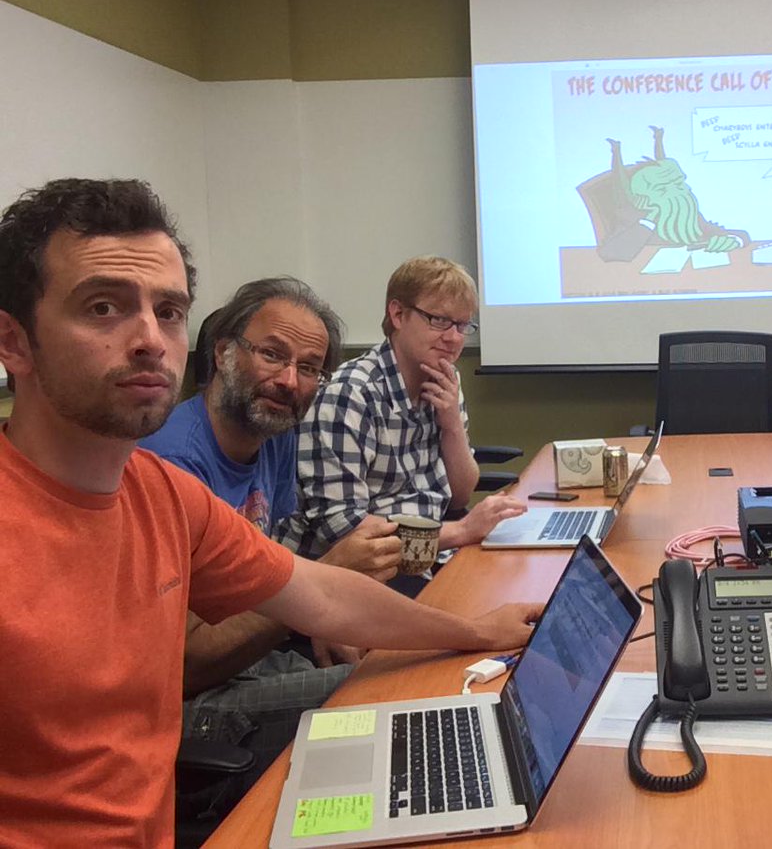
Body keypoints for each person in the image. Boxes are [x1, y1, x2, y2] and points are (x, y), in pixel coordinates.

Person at [0, 178, 542, 847]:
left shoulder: (160, 491)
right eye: (103, 307)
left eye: (168, 312)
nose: (149, 340)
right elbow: (305, 580)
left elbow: (319, 590)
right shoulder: (168, 466)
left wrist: (476, 630)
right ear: (13, 341)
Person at [140, 277, 402, 822]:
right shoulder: (171, 464)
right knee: (385, 695)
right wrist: (316, 593)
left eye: (309, 367)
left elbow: (263, 572)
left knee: (396, 664)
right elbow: (184, 665)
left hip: (244, 658)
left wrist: (322, 615)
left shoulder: (274, 435)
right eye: (272, 354)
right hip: (182, 704)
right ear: (222, 353)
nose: (288, 381)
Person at [281, 256, 526, 586]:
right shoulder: (350, 395)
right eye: (439, 320)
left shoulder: (445, 379)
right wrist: (461, 531)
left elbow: (460, 495)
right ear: (397, 314)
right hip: (359, 575)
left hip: (428, 555)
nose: (454, 338)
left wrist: (452, 425)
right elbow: (345, 531)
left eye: (462, 325)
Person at [594, 125, 751, 261]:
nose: (683, 190)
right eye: (663, 188)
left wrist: (731, 240)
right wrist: (648, 220)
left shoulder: (688, 212)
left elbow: (735, 234)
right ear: (643, 198)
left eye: (679, 182)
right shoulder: (631, 217)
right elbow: (610, 253)